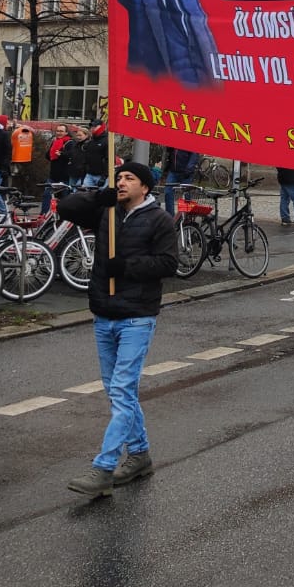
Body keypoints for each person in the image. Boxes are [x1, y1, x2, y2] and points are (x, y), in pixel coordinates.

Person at [56, 162, 177, 497]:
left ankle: (104, 468)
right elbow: (65, 207)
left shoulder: (160, 220)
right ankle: (139, 455)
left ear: (146, 188)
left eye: (129, 179)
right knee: (117, 391)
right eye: (119, 178)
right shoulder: (106, 211)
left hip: (137, 316)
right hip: (104, 314)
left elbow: (168, 264)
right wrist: (100, 196)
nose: (122, 182)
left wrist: (125, 266)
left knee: (122, 390)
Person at [160, 146, 197, 216]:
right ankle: (170, 217)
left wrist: (189, 169)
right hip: (173, 171)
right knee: (168, 192)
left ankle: (187, 218)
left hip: (185, 172)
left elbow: (194, 154)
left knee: (186, 195)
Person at [80, 121, 110, 188]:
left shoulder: (107, 140)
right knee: (84, 195)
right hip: (89, 174)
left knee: (101, 196)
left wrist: (104, 176)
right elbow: (86, 159)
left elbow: (109, 160)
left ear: (101, 127)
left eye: (95, 126)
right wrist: (84, 174)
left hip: (101, 175)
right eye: (91, 127)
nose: (92, 128)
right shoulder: (91, 141)